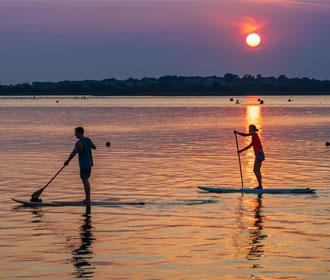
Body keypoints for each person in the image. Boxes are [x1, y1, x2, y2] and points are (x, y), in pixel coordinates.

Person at [65, 127, 96, 203]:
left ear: (80, 133)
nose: (75, 134)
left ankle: (88, 199)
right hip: (89, 164)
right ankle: (88, 198)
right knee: (86, 180)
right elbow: (94, 147)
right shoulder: (88, 140)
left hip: (84, 164)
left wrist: (67, 160)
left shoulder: (79, 142)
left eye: (76, 133)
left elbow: (74, 152)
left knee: (85, 181)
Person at [234, 125, 265, 189]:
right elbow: (249, 146)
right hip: (260, 154)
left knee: (255, 170)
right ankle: (260, 186)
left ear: (252, 129)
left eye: (249, 129)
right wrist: (241, 151)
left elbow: (244, 135)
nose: (248, 130)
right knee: (257, 170)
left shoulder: (254, 134)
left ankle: (260, 186)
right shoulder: (254, 138)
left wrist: (237, 132)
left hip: (259, 154)